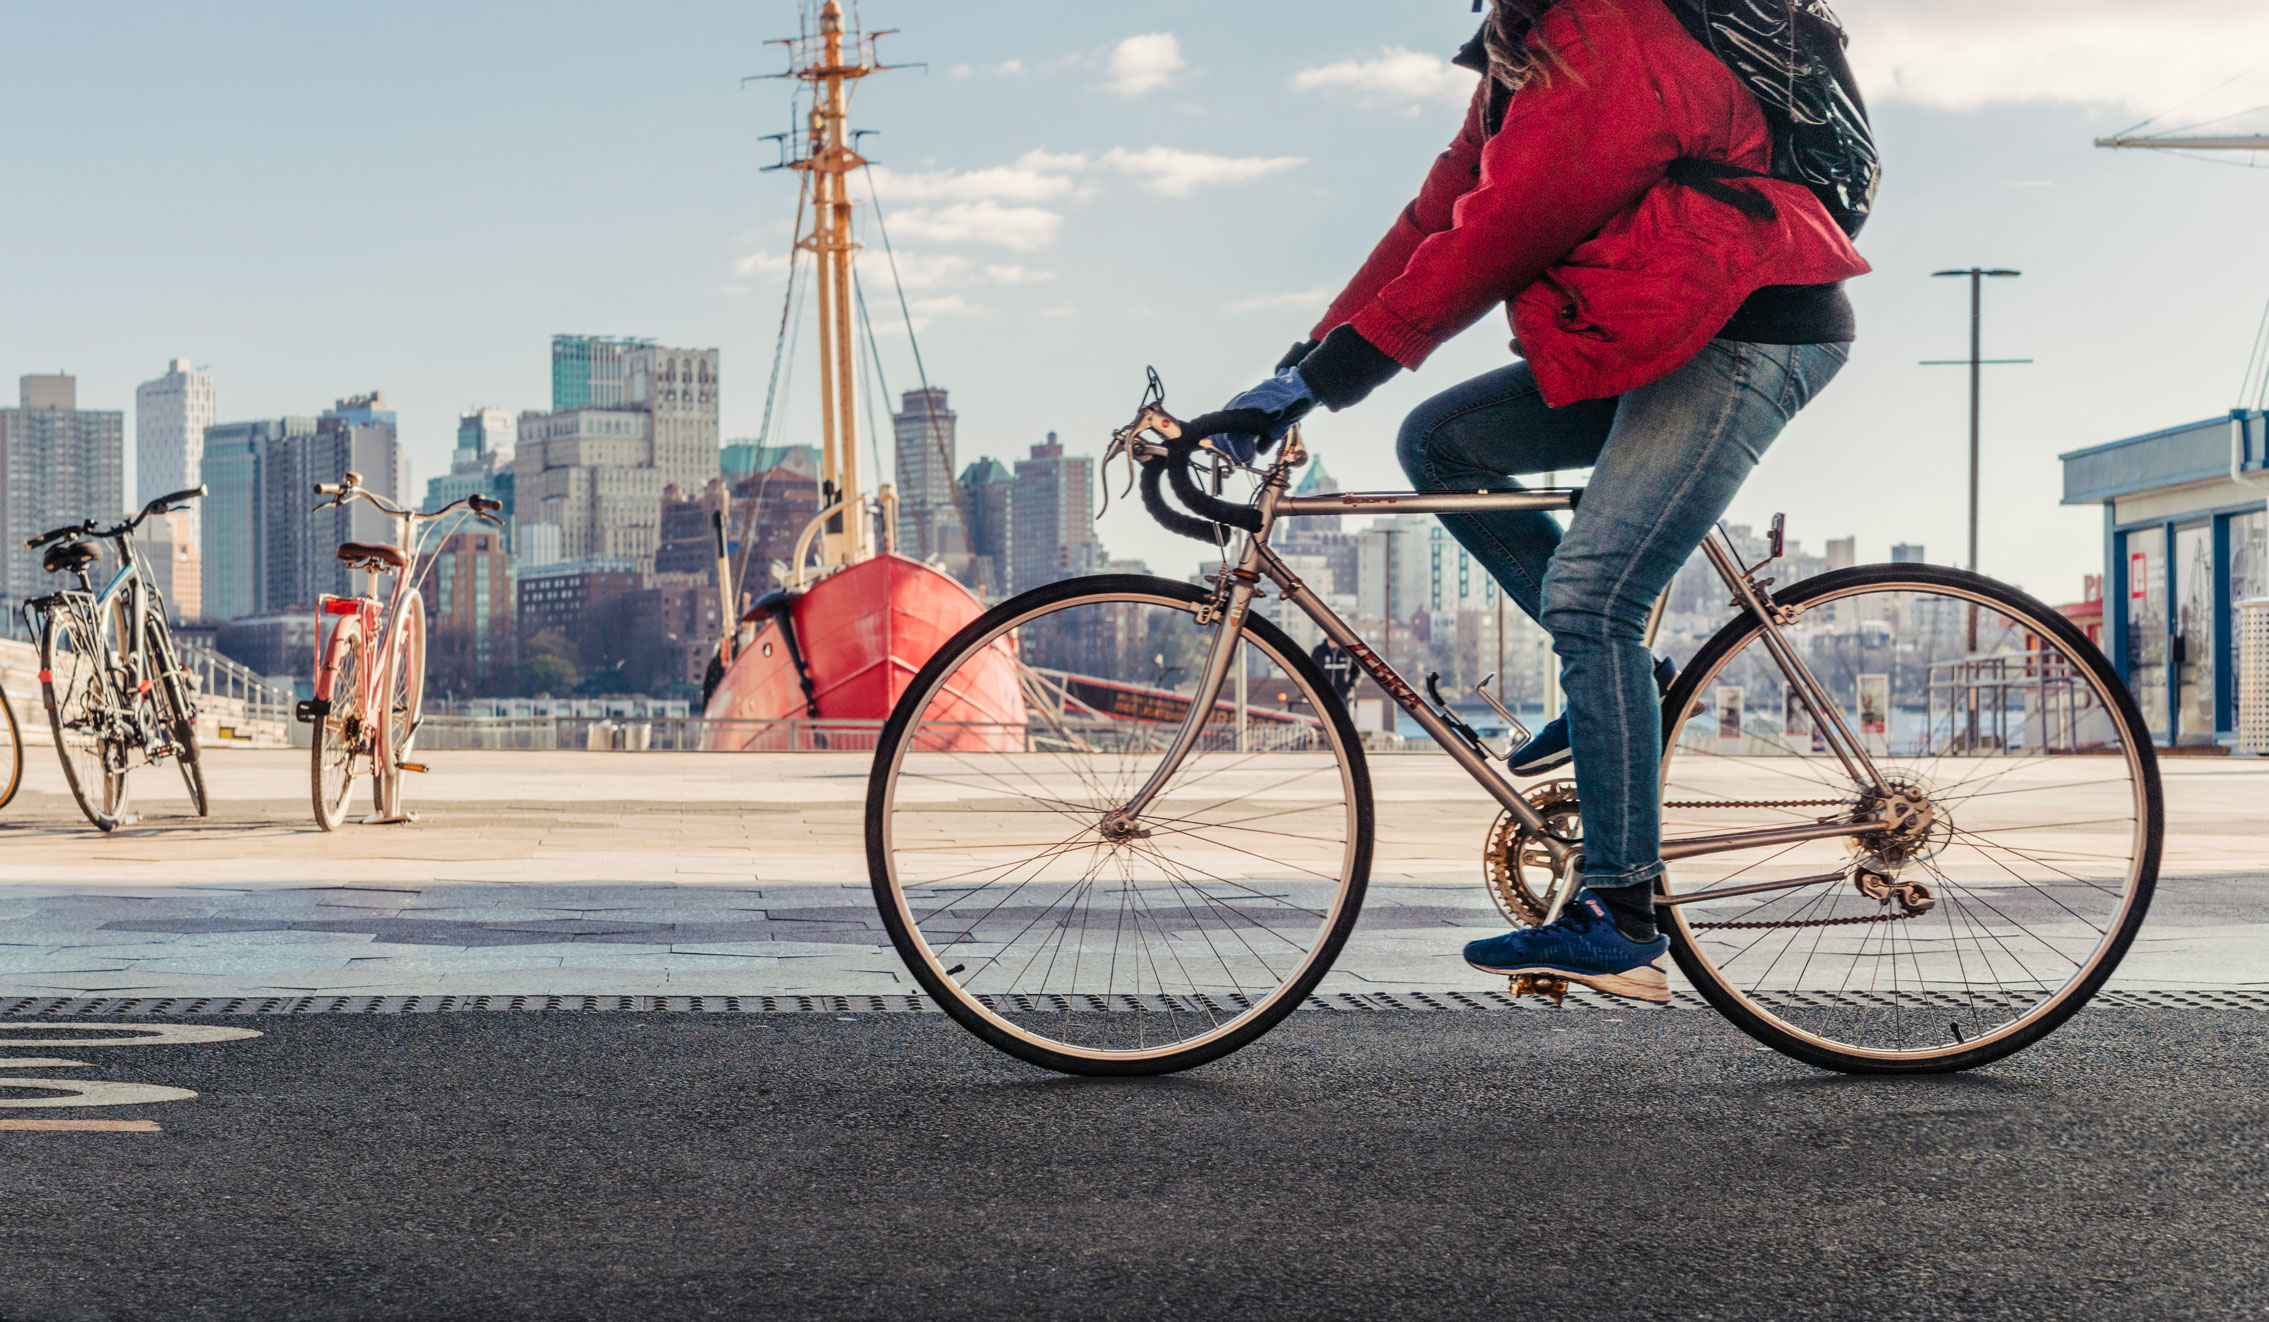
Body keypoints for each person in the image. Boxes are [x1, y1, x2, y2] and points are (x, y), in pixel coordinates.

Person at [1205, 0, 1872, 1003]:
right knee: (1441, 441)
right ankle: (1625, 682)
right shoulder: (1522, 52)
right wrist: (1297, 364)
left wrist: (1326, 380)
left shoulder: (1607, 33)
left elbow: (1500, 235)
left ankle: (1621, 913)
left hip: (1744, 330)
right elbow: (1435, 219)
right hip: (1663, 323)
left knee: (1590, 595)